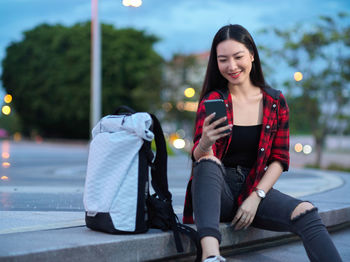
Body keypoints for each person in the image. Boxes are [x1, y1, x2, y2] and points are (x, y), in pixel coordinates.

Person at [182, 24, 343, 262]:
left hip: (254, 187)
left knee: (307, 212)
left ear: (252, 55)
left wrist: (256, 197)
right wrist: (205, 142)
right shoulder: (214, 100)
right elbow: (200, 157)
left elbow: (279, 158)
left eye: (238, 57)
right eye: (223, 59)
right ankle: (211, 255)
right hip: (217, 193)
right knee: (207, 163)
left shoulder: (275, 101)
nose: (232, 66)